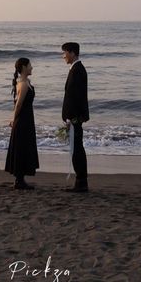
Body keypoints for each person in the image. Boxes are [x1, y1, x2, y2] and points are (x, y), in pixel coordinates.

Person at [5, 57, 39, 190]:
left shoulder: (27, 82)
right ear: (24, 67)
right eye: (30, 65)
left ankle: (21, 179)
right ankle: (19, 181)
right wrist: (14, 120)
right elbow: (18, 105)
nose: (32, 67)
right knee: (21, 148)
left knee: (25, 147)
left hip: (27, 120)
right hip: (22, 121)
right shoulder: (23, 85)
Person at [61, 42, 89, 192]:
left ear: (72, 53)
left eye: (64, 52)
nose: (63, 56)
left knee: (77, 149)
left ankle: (81, 182)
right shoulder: (76, 69)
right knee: (76, 148)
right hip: (75, 117)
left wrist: (70, 118)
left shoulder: (78, 70)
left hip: (75, 117)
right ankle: (81, 181)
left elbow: (75, 97)